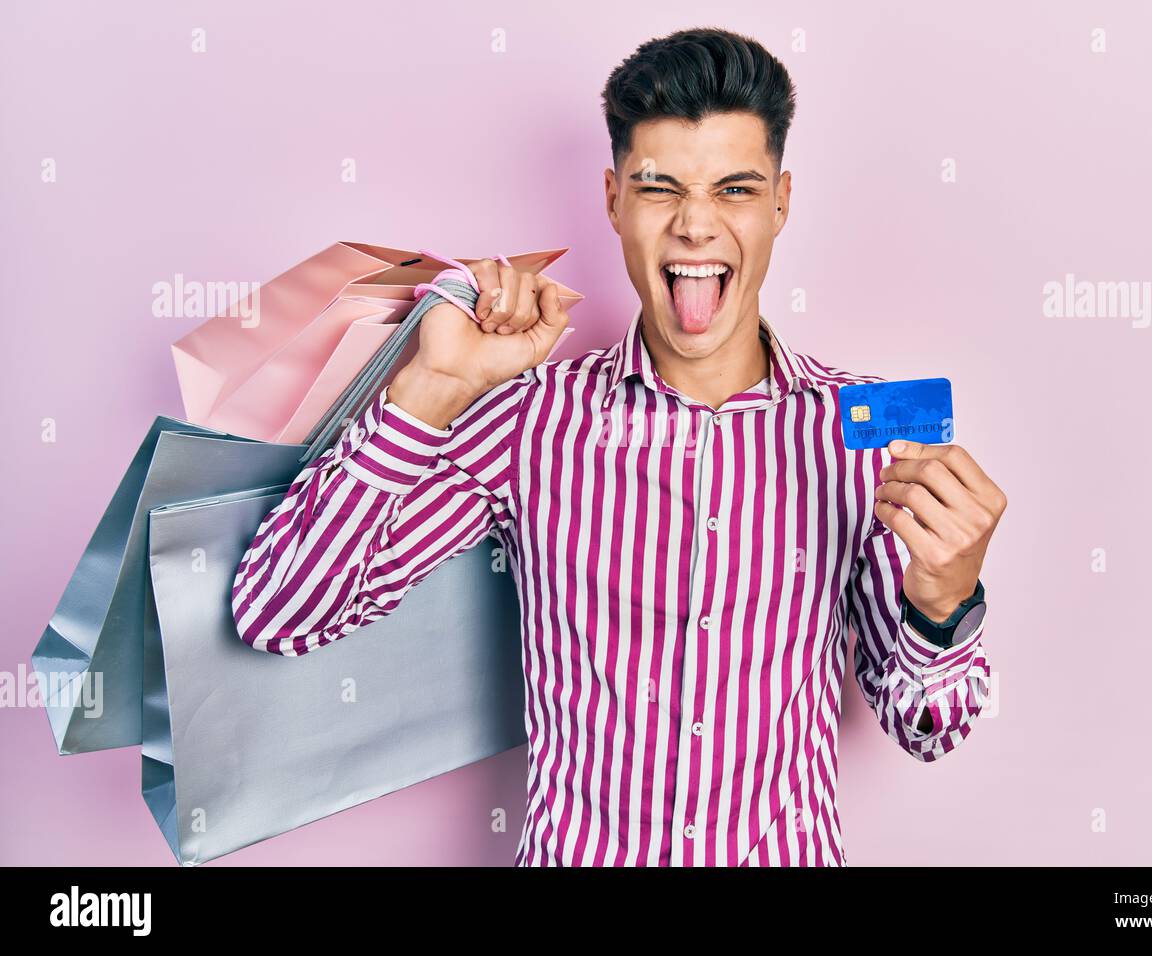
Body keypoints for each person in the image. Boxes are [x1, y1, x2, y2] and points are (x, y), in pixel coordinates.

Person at [231, 26, 1007, 866]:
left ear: (781, 202)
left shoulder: (860, 437)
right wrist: (433, 388)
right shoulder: (531, 422)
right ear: (612, 200)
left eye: (735, 189)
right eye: (659, 187)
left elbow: (929, 728)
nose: (696, 226)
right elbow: (280, 613)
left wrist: (945, 602)